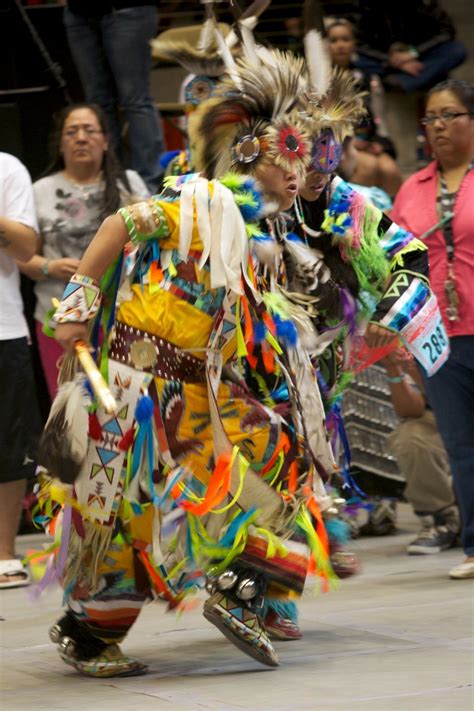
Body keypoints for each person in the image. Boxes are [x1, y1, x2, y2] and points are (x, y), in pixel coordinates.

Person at [36, 48, 335, 678]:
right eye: (296, 158)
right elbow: (121, 223)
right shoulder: (203, 203)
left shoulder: (247, 229)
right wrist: (77, 306)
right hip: (137, 390)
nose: (303, 174)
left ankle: (241, 592)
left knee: (278, 472)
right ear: (261, 154)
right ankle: (89, 633)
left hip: (196, 394)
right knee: (120, 517)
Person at [391, 79, 474, 579]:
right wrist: (401, 329)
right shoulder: (412, 188)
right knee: (462, 444)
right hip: (438, 337)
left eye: (450, 115)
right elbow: (395, 265)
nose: (438, 126)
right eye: (430, 119)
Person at [19, 104, 148, 400]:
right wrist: (51, 266)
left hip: (124, 317)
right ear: (61, 144)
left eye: (89, 130)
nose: (80, 138)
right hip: (59, 320)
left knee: (128, 410)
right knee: (73, 410)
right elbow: (24, 256)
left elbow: (152, 245)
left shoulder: (129, 183)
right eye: (71, 131)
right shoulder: (40, 190)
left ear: (105, 141)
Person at [63, 1, 164, 192]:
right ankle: (110, 185)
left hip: (127, 9)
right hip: (78, 12)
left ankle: (149, 188)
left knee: (135, 101)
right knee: (97, 106)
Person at [0, 153, 41, 589]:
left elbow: (26, 246)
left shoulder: (7, 167)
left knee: (9, 445)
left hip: (2, 325)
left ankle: (4, 552)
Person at [381, 351, 459, 554]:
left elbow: (458, 399)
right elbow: (410, 410)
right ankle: (439, 519)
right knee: (411, 437)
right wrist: (397, 369)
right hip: (439, 416)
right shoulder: (415, 327)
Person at [326, 18, 402, 197]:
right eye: (334, 40)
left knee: (390, 170)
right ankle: (356, 220)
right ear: (325, 45)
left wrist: (378, 143)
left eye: (345, 39)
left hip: (366, 141)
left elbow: (378, 117)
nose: (340, 45)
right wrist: (350, 142)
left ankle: (394, 220)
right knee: (368, 167)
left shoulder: (366, 78)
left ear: (354, 44)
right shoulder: (319, 80)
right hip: (336, 145)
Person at [349, 0, 467, 94]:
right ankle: (417, 77)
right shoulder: (366, 5)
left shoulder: (426, 3)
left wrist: (413, 53)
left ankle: (405, 81)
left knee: (456, 50)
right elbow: (359, 44)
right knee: (357, 58)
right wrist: (393, 61)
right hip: (387, 59)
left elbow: (447, 32)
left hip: (422, 55)